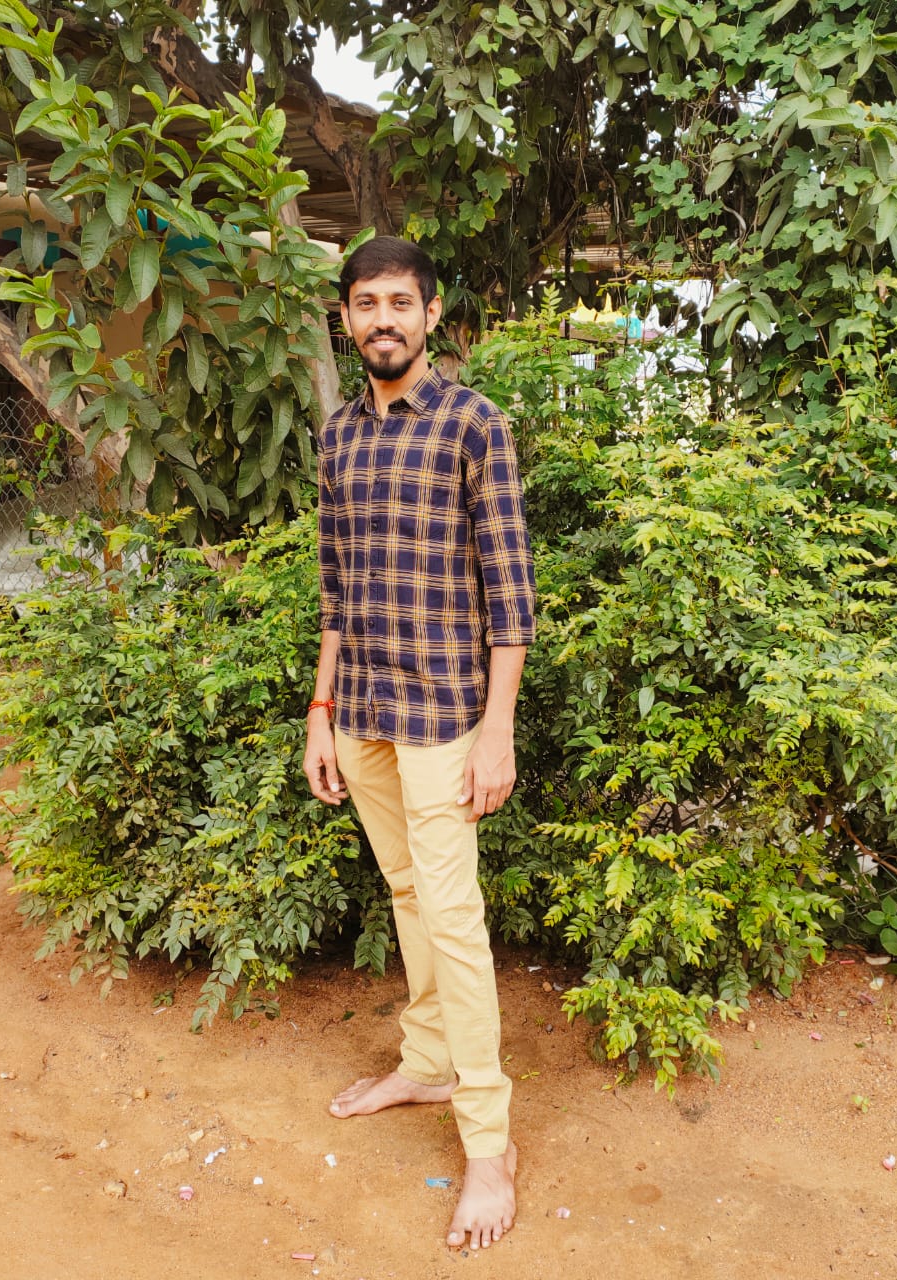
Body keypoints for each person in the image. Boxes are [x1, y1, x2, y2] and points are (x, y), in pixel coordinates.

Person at [302, 236, 535, 1250]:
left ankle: (488, 1144)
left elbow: (512, 592)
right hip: (362, 711)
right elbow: (334, 587)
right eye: (367, 303)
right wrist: (320, 709)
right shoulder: (337, 436)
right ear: (347, 318)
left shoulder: (474, 423)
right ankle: (429, 1060)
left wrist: (498, 729)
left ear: (432, 315)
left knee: (453, 915)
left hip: (446, 717)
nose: (384, 318)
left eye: (401, 301)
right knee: (406, 892)